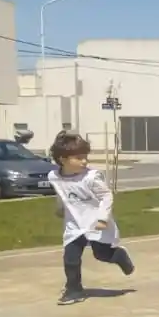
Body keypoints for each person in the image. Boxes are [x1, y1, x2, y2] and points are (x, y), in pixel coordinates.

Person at [48, 131, 135, 305]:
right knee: (70, 258)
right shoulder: (54, 176)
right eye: (79, 158)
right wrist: (60, 208)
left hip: (95, 223)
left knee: (101, 254)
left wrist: (103, 219)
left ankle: (118, 255)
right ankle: (74, 289)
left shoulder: (91, 177)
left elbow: (106, 196)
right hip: (74, 225)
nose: (84, 161)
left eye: (85, 157)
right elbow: (61, 194)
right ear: (62, 159)